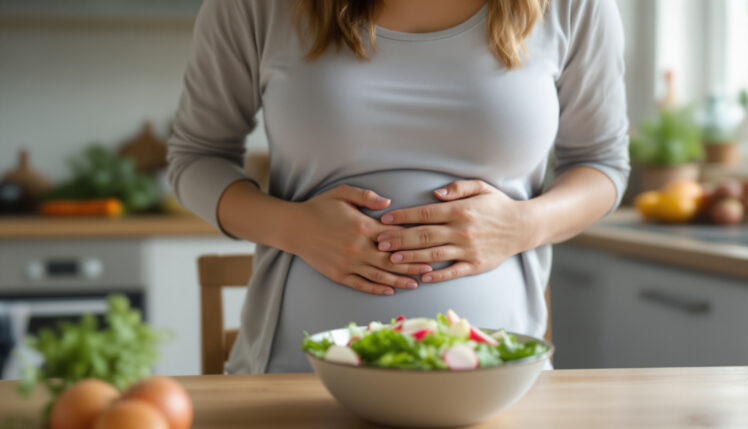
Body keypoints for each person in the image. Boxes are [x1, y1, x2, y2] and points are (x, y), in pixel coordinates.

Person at [167, 0, 630, 373]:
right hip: (295, 380)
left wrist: (522, 226)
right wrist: (293, 228)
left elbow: (601, 164)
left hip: (495, 388)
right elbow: (196, 157)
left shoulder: (575, 6)